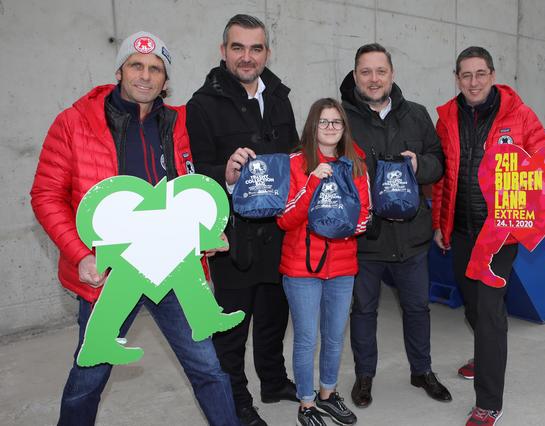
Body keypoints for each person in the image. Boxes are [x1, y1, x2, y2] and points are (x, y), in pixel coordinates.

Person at [30, 31, 241, 426]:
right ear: (120, 70)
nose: (145, 76)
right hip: (111, 271)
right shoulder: (74, 123)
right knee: (90, 374)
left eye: (155, 69)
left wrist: (206, 232)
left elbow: (187, 186)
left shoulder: (178, 123)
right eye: (136, 66)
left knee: (208, 369)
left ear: (165, 79)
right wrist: (80, 255)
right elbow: (45, 195)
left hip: (173, 267)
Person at [431, 46, 545, 426]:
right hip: (463, 229)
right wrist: (441, 222)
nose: (474, 82)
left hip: (502, 233)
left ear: (492, 74)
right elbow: (443, 179)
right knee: (472, 302)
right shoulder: (446, 118)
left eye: (480, 73)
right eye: (466, 75)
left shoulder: (519, 116)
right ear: (457, 78)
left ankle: (488, 402)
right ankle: (483, 356)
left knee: (488, 311)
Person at [186, 14, 298, 426]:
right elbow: (192, 171)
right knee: (232, 329)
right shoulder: (202, 105)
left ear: (266, 52)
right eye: (238, 47)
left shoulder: (281, 97)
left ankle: (273, 379)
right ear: (223, 51)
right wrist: (224, 173)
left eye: (255, 48)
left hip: (278, 233)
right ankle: (237, 401)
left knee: (274, 315)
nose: (247, 57)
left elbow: (291, 158)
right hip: (232, 237)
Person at [340, 43, 451, 408]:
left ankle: (422, 370)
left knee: (418, 308)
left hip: (412, 238)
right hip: (365, 240)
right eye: (366, 72)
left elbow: (439, 161)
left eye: (380, 71)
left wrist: (421, 166)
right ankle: (365, 376)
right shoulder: (340, 118)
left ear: (392, 74)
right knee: (364, 311)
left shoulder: (416, 115)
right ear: (356, 76)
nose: (374, 79)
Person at [277, 98, 370, 426]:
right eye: (324, 122)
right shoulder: (295, 163)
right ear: (312, 126)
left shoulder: (355, 164)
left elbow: (364, 216)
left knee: (334, 335)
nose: (330, 128)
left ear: (344, 128)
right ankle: (306, 403)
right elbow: (285, 219)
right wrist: (313, 181)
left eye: (336, 122)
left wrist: (346, 222)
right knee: (306, 338)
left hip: (343, 267)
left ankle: (327, 395)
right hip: (302, 269)